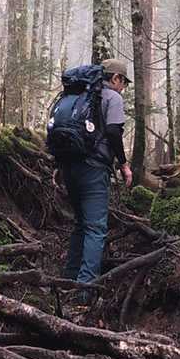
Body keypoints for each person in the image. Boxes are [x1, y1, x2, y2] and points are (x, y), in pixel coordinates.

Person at [59, 58, 132, 299]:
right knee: (96, 228)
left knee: (81, 224)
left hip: (69, 165)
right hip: (93, 169)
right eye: (123, 82)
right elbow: (113, 132)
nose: (123, 88)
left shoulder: (79, 95)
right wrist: (124, 165)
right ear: (115, 78)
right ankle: (84, 291)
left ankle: (68, 280)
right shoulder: (112, 98)